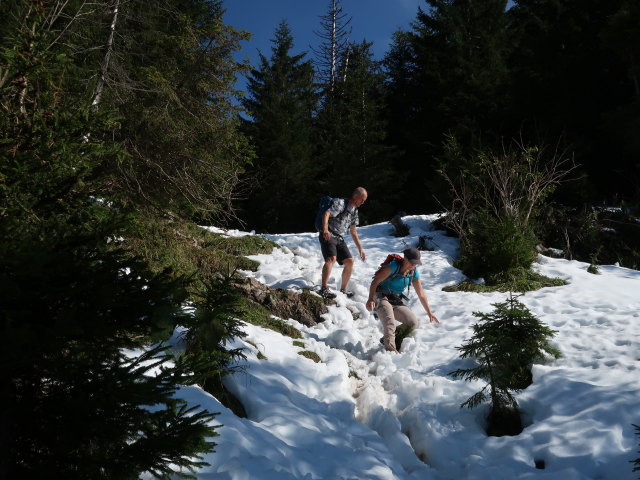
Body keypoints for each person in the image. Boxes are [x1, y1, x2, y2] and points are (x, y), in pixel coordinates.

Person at [366, 247, 440, 352]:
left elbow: (421, 293)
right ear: (405, 259)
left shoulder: (413, 273)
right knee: (389, 323)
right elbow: (375, 282)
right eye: (412, 262)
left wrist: (429, 312)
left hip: (395, 298)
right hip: (380, 295)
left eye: (416, 263)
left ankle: (387, 339)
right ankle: (391, 352)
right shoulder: (392, 267)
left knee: (412, 323)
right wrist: (370, 299)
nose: (414, 265)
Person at [318, 187, 368, 299]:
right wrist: (325, 230)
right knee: (331, 258)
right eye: (362, 199)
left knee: (349, 261)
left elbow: (353, 231)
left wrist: (360, 248)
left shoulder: (354, 210)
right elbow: (326, 214)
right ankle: (323, 288)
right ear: (355, 196)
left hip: (339, 238)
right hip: (329, 233)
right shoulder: (340, 203)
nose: (363, 202)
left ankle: (343, 289)